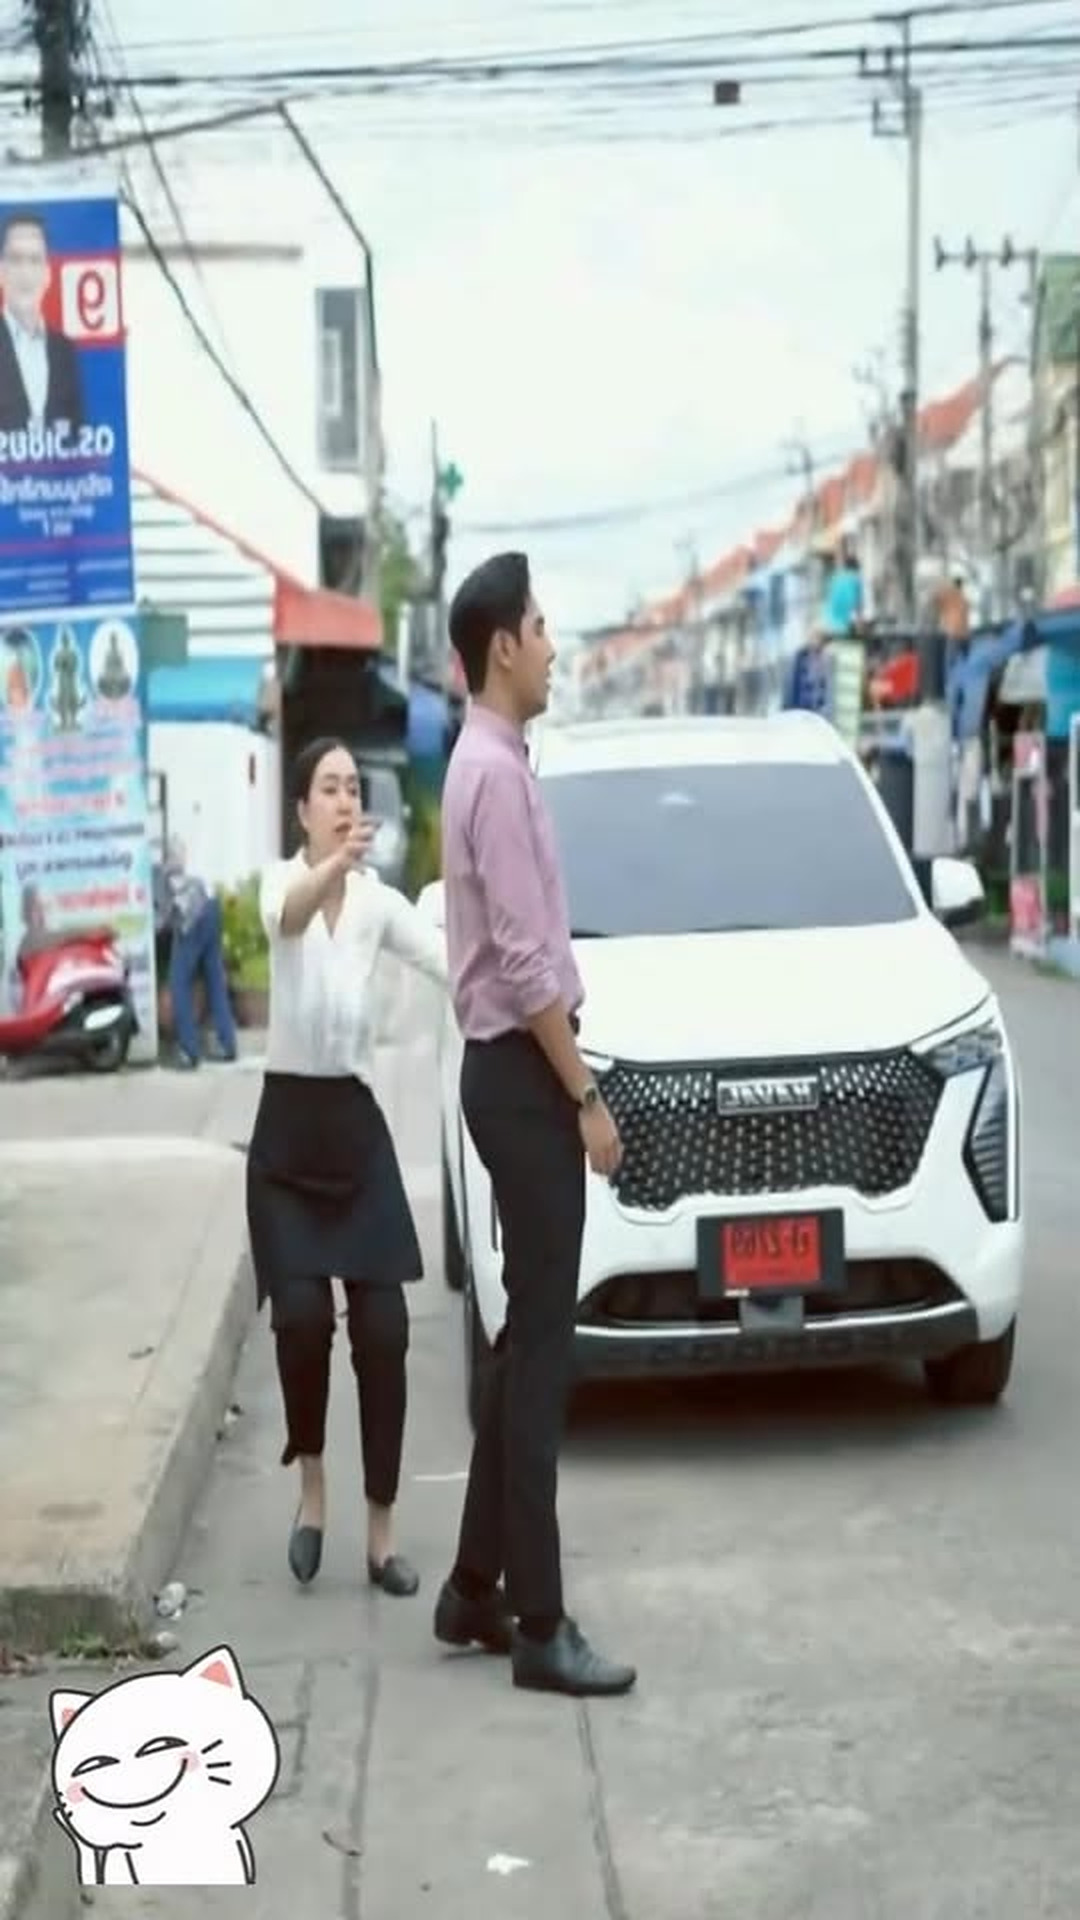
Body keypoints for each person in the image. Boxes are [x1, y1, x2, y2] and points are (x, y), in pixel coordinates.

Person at [432, 552, 637, 1698]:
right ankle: (542, 1625)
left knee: (521, 1347)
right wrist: (586, 1098)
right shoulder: (495, 777)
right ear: (503, 646)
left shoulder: (490, 762)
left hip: (507, 1075)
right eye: (544, 627)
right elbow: (524, 963)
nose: (556, 646)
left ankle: (474, 1588)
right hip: (521, 1078)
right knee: (543, 1355)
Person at [246, 737, 447, 1599]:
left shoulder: (376, 905)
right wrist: (330, 868)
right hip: (288, 1141)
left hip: (356, 1135)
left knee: (385, 1331)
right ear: (301, 810)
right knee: (300, 1320)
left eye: (353, 789)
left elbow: (444, 961)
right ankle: (313, 1491)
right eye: (329, 789)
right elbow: (290, 916)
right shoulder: (280, 884)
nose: (344, 802)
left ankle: (381, 1533)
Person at [0, 211, 83, 435]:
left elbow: (78, 434)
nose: (25, 273)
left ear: (47, 274)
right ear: (1, 271)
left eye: (34, 260)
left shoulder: (64, 351)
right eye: (16, 259)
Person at [160, 838, 237, 1069]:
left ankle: (189, 1050)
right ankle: (227, 1044)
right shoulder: (194, 858)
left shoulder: (163, 872)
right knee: (214, 979)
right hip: (211, 906)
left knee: (178, 982)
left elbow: (164, 915)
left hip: (192, 914)